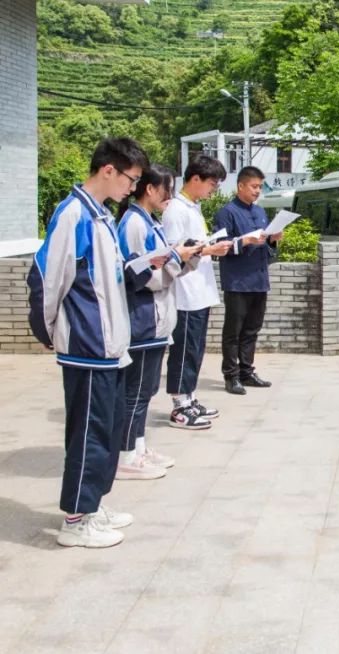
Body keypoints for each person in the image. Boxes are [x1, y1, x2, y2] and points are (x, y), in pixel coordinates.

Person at [27, 137, 150, 548]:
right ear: (108, 170)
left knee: (108, 431)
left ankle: (94, 505)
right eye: (130, 179)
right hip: (87, 346)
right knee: (89, 434)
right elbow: (47, 279)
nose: (131, 188)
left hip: (110, 348)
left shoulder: (99, 217)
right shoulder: (73, 214)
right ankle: (76, 520)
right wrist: (51, 332)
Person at [116, 164, 202, 481]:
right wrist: (177, 258)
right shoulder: (133, 224)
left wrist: (187, 256)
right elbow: (139, 276)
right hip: (142, 319)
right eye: (167, 188)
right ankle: (126, 455)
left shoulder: (146, 222)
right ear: (150, 189)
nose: (170, 196)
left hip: (156, 319)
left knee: (145, 391)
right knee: (135, 393)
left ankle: (137, 448)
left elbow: (162, 268)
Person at [163, 155, 232, 429]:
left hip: (200, 290)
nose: (213, 190)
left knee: (196, 348)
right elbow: (173, 252)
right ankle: (179, 406)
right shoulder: (176, 211)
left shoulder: (193, 207)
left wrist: (208, 247)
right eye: (212, 184)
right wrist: (208, 249)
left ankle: (190, 398)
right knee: (184, 350)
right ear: (195, 179)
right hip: (185, 292)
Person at [213, 166, 281, 391]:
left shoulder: (261, 212)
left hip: (259, 280)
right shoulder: (227, 213)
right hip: (237, 280)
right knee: (234, 330)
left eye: (260, 187)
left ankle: (247, 371)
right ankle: (231, 376)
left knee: (252, 328)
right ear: (240, 186)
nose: (257, 191)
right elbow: (219, 248)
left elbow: (268, 248)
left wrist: (273, 239)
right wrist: (245, 241)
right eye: (254, 186)